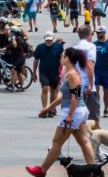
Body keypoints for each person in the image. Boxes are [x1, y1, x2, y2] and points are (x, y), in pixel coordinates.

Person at [25, 48, 96, 177]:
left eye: (62, 55)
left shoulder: (73, 75)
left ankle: (42, 170)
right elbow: (64, 96)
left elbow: (74, 97)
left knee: (57, 142)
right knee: (83, 140)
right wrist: (48, 108)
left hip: (73, 112)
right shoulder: (69, 73)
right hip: (77, 111)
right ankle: (94, 169)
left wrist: (69, 116)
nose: (60, 57)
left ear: (67, 58)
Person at [72, 25, 100, 128]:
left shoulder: (74, 48)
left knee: (80, 113)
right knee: (93, 116)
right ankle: (94, 139)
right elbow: (89, 65)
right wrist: (91, 84)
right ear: (89, 35)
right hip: (87, 85)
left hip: (77, 85)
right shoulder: (90, 46)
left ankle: (83, 136)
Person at [33, 32, 65, 117]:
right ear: (44, 39)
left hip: (55, 72)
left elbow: (61, 59)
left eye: (50, 40)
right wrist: (34, 73)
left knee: (53, 91)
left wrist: (63, 71)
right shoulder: (40, 47)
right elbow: (36, 60)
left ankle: (51, 109)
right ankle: (45, 109)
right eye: (47, 40)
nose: (48, 41)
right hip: (44, 72)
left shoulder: (58, 47)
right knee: (45, 88)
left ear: (53, 39)